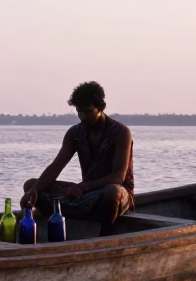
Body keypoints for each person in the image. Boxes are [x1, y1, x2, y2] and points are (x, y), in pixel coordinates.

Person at [20, 81, 134, 236]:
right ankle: (76, 216)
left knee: (111, 191)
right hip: (87, 195)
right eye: (79, 112)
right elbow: (56, 166)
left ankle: (105, 235)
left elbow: (118, 176)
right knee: (31, 185)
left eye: (87, 112)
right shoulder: (75, 133)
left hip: (117, 194)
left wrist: (82, 187)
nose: (83, 117)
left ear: (101, 108)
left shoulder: (121, 132)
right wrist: (34, 191)